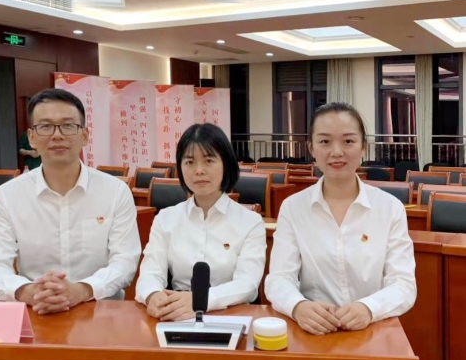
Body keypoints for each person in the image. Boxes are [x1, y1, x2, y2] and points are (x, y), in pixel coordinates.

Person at [0, 88, 141, 313]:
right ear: (32, 137)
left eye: (68, 125)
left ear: (85, 135)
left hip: (100, 311)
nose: (57, 135)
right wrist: (28, 292)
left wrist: (82, 290)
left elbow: (125, 261)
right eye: (46, 126)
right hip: (36, 310)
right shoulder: (8, 196)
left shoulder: (115, 192)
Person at [264, 102, 416, 335]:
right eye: (325, 141)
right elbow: (279, 278)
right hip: (313, 332)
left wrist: (369, 308)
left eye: (348, 141)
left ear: (363, 147)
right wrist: (298, 307)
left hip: (373, 330)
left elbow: (403, 284)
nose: (336, 152)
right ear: (311, 148)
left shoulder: (390, 208)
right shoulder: (293, 208)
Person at [135, 123, 267, 321]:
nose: (199, 170)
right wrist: (153, 295)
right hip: (176, 315)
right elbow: (149, 273)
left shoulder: (250, 222)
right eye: (189, 162)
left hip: (230, 315)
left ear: (226, 164)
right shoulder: (165, 219)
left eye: (209, 161)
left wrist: (201, 300)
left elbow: (247, 285)